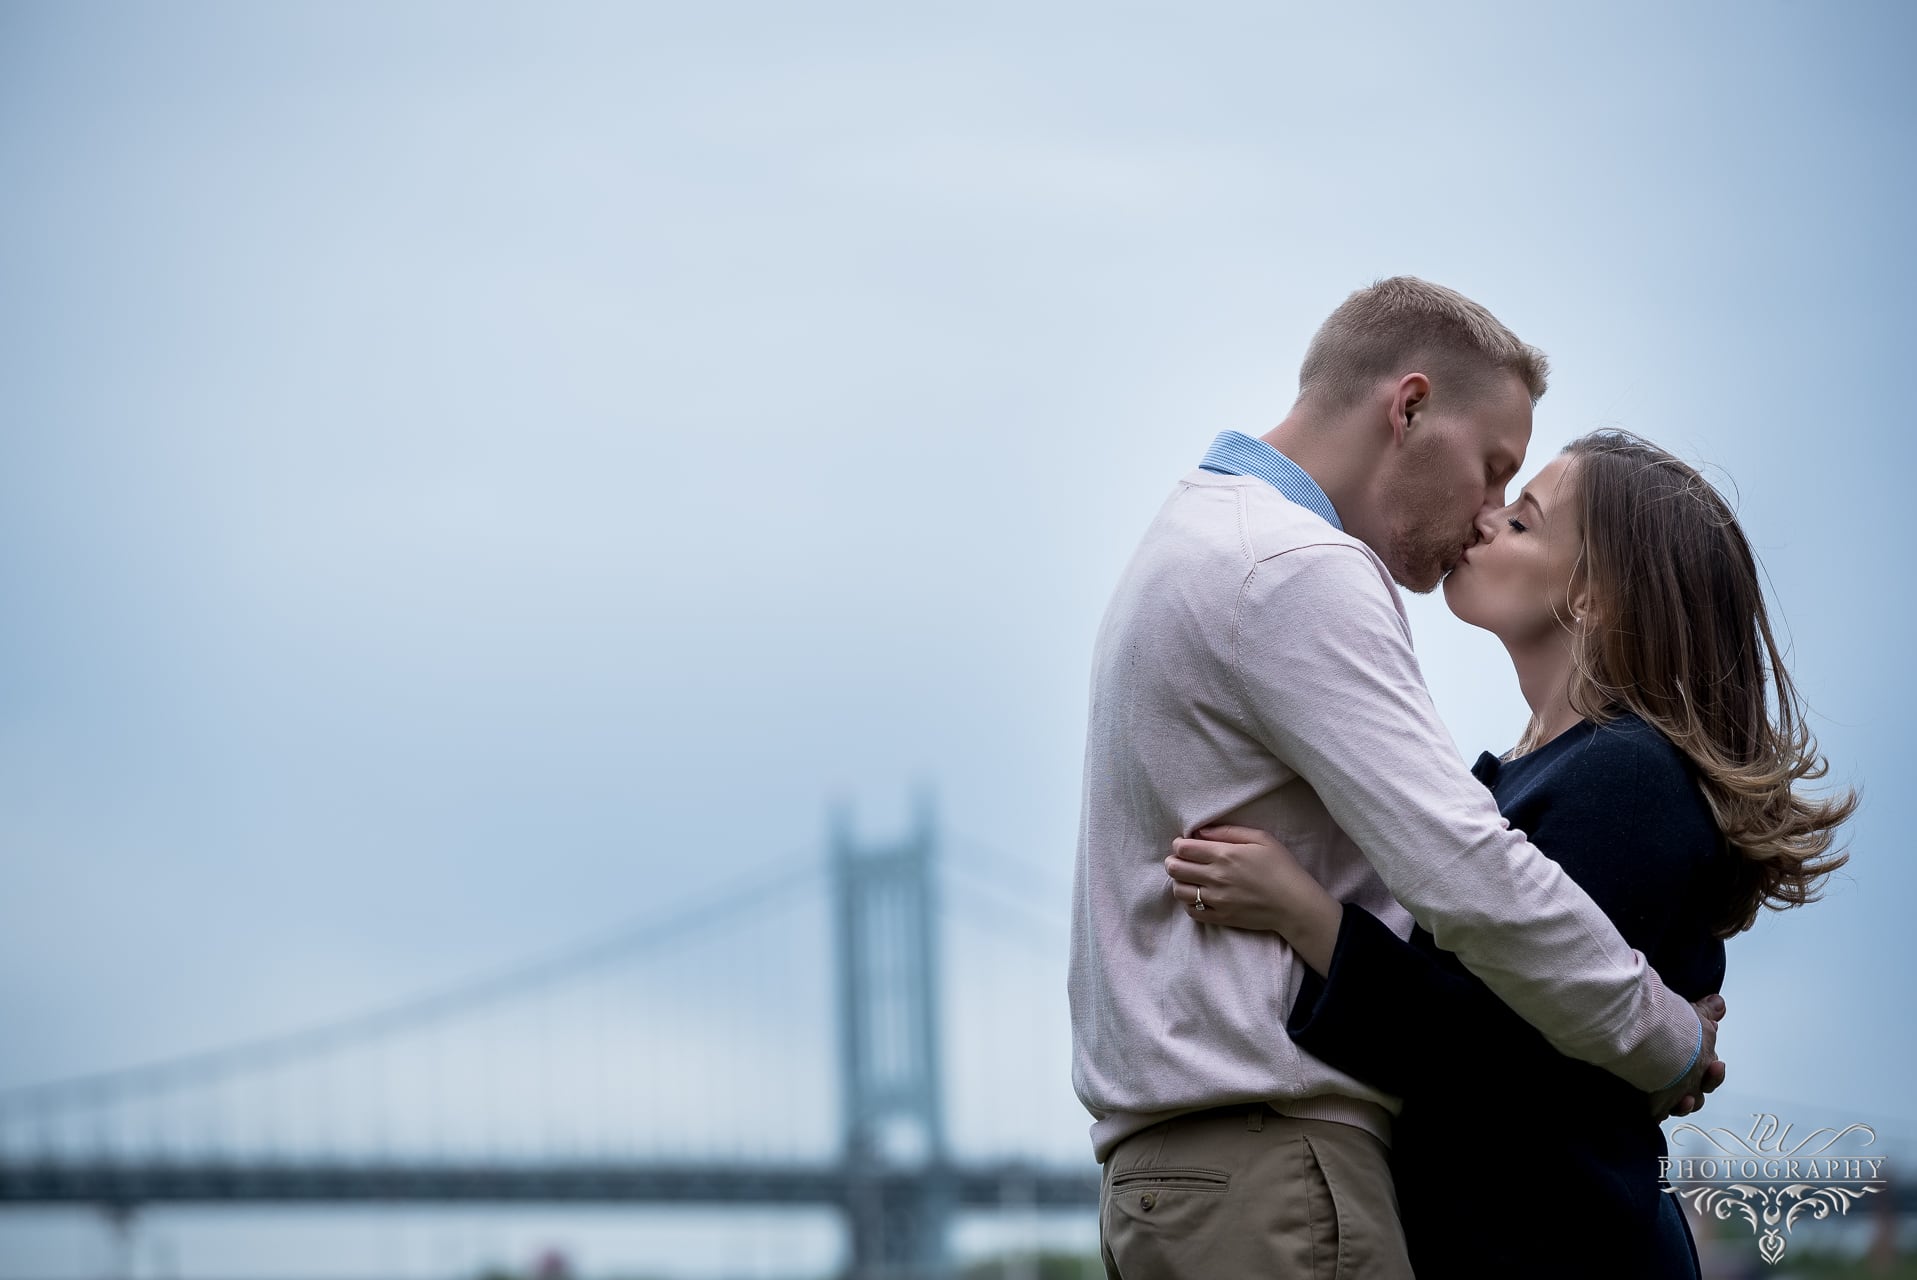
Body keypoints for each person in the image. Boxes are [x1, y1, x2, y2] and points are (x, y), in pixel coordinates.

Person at [1068, 278, 1726, 1279]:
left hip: (1186, 1175)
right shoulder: (1291, 566)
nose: (1490, 510)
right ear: (1409, 407)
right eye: (1495, 467)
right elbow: (1467, 870)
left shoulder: (1199, 535)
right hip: (1272, 1165)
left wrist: (1312, 915)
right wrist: (1668, 1038)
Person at [1163, 431, 1854, 1277]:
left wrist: (1301, 913)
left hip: (1556, 1247)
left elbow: (1495, 1066)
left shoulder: (1625, 778)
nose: (1484, 520)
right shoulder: (1542, 773)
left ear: (1594, 597)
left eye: (1523, 522)